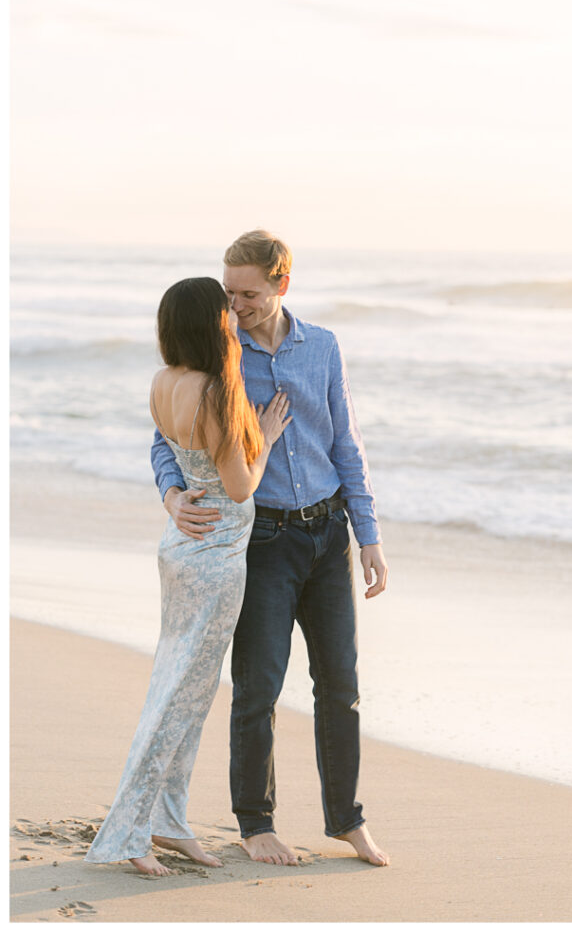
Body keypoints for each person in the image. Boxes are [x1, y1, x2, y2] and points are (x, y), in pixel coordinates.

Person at [151, 231, 390, 868]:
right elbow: (165, 436)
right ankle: (256, 824)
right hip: (262, 539)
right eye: (227, 293)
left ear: (282, 283)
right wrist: (172, 494)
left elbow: (348, 445)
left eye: (248, 293)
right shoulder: (217, 353)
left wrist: (368, 536)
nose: (235, 306)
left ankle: (348, 821)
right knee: (258, 687)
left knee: (340, 684)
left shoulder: (324, 348)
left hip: (329, 534)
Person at [86, 277, 291, 875]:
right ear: (210, 325)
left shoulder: (162, 382)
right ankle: (130, 834)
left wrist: (175, 495)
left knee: (183, 694)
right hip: (216, 556)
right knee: (179, 700)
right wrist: (267, 439)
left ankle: (170, 822)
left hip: (181, 548)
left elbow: (180, 457)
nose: (234, 319)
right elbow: (240, 485)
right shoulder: (216, 393)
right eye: (226, 312)